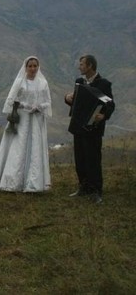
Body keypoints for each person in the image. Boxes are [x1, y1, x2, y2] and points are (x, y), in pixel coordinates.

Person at [0, 56, 52, 192]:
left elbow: (48, 101)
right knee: (18, 148)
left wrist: (38, 107)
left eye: (35, 66)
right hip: (21, 119)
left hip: (36, 120)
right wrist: (24, 105)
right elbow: (11, 100)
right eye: (30, 66)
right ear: (26, 67)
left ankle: (33, 183)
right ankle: (12, 182)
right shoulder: (20, 82)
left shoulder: (43, 83)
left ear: (38, 67)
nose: (33, 68)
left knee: (34, 148)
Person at [64, 54, 115, 204]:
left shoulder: (104, 84)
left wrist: (103, 115)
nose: (79, 67)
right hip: (78, 126)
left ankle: (96, 191)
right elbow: (77, 103)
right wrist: (67, 98)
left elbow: (110, 105)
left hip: (93, 128)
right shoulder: (79, 82)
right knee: (80, 158)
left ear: (90, 66)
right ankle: (84, 187)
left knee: (93, 159)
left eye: (82, 64)